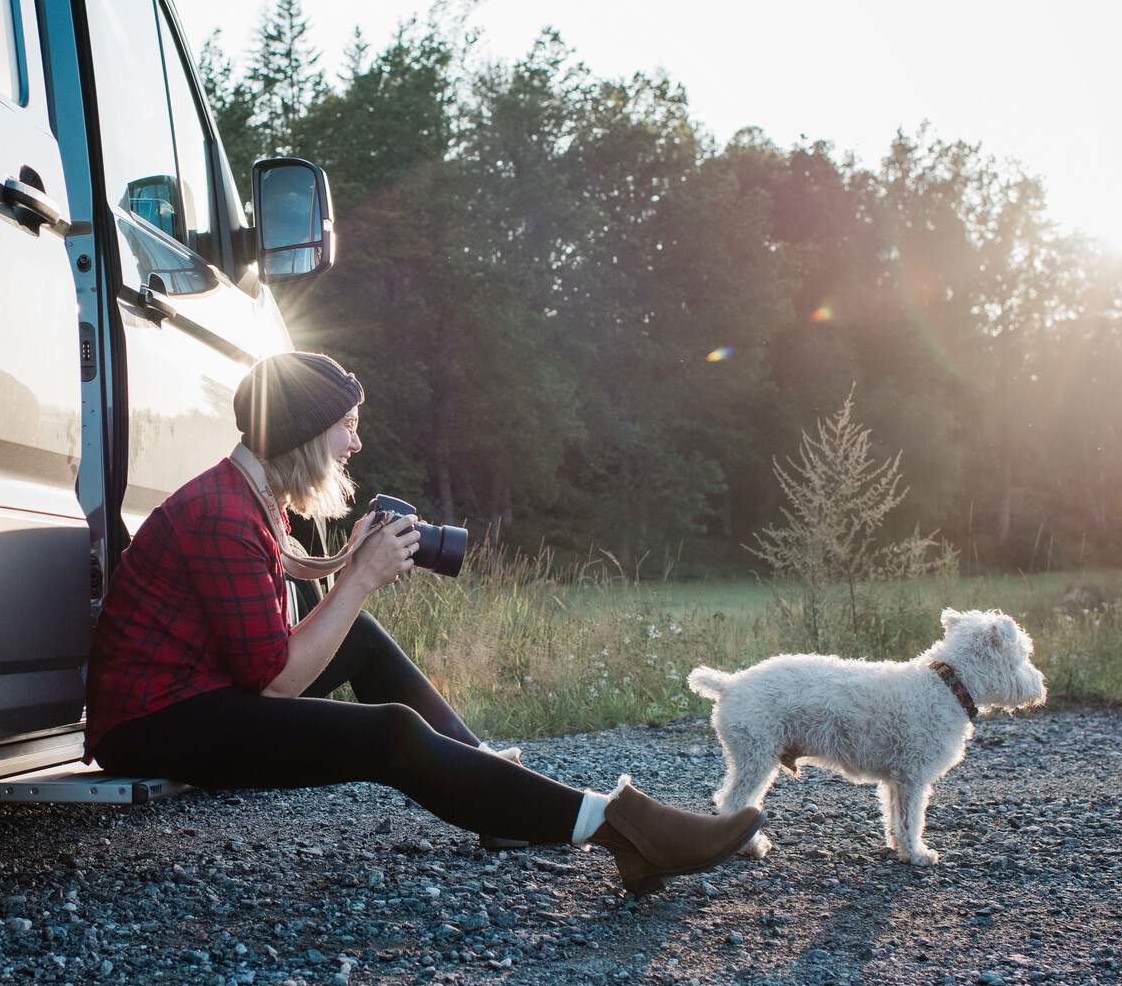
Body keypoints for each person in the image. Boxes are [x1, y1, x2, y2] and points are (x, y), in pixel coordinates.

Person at [85, 351, 762, 893]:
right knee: (391, 735)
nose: (355, 442)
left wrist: (347, 565)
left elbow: (276, 647)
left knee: (356, 636)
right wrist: (360, 577)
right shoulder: (223, 516)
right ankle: (620, 829)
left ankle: (491, 786)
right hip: (155, 727)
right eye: (345, 428)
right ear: (302, 433)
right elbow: (275, 681)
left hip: (197, 699)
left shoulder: (248, 499)